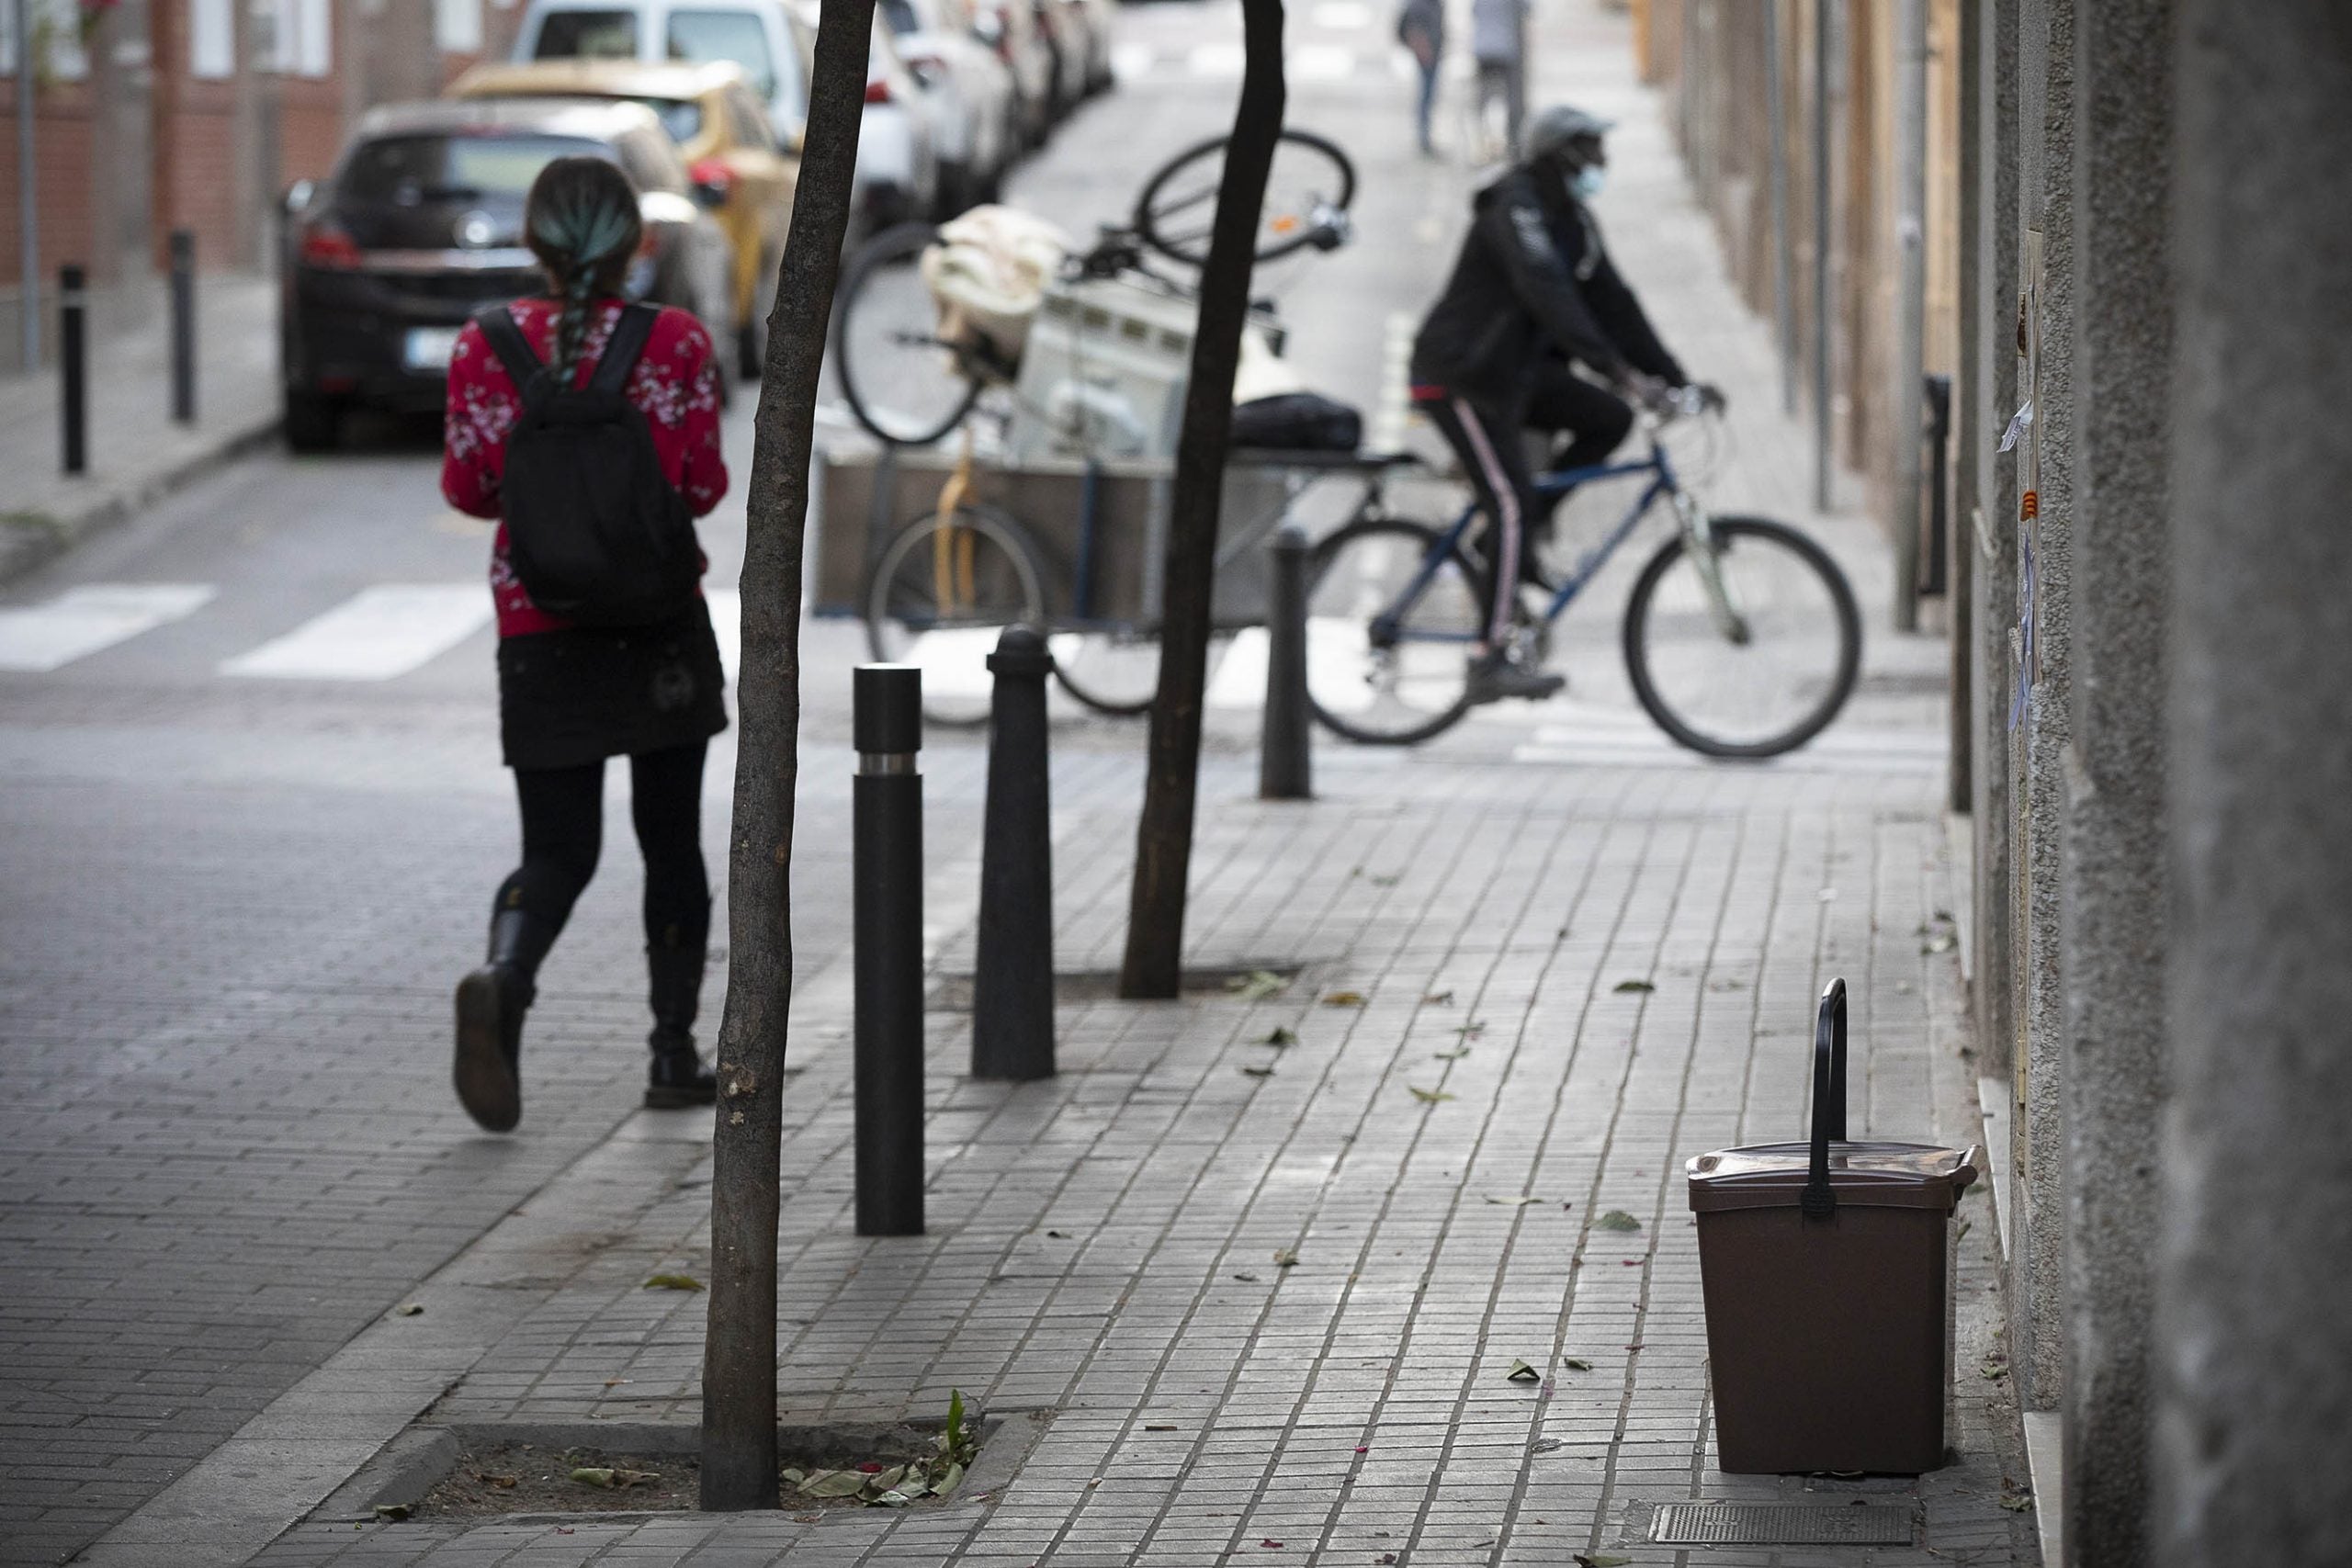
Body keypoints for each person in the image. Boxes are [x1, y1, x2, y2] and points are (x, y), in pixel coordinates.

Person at [439, 155, 730, 1133]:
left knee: (557, 849)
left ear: (533, 242)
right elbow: (699, 487)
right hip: (657, 629)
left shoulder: (483, 348)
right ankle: (672, 1052)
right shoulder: (677, 343)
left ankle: (505, 977)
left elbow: (469, 488)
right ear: (634, 244)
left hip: (540, 630)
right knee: (670, 841)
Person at [1408, 104, 1715, 704]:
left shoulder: (1573, 221)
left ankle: (1519, 541)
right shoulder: (1515, 207)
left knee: (1610, 418)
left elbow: (1615, 304)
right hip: (1461, 377)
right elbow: (1546, 291)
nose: (1601, 164)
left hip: (1514, 378)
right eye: (1592, 152)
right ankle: (1488, 659)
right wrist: (1618, 369)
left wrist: (1676, 378)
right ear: (1560, 157)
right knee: (1509, 497)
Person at [1469, 0, 1529, 159]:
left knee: (1483, 98)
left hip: (1482, 49)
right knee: (1509, 98)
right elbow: (1525, 12)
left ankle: (1482, 143)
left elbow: (1474, 12)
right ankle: (1507, 143)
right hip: (1506, 49)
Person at [1396, 0, 1446, 158]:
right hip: (1427, 54)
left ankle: (1426, 134)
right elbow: (1415, 28)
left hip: (1434, 51)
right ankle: (1424, 136)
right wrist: (1423, 50)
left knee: (1430, 95)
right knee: (1426, 96)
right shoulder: (1421, 4)